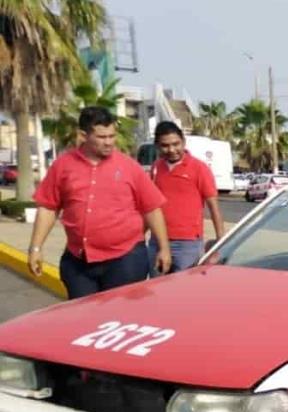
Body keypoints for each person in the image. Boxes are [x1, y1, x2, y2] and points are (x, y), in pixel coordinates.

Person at [27, 106, 170, 298]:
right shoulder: (63, 165)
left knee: (118, 320)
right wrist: (36, 248)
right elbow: (47, 208)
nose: (109, 142)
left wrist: (164, 248)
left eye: (112, 136)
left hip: (125, 259)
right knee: (84, 320)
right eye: (102, 137)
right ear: (83, 135)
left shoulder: (129, 167)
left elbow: (152, 209)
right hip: (79, 261)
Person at [148, 121, 225, 273]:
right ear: (157, 146)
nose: (171, 149)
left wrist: (220, 244)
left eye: (176, 144)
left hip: (187, 245)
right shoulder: (156, 168)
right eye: (165, 145)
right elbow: (150, 206)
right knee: (157, 291)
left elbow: (213, 206)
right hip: (157, 242)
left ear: (183, 141)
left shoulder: (199, 168)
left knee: (184, 291)